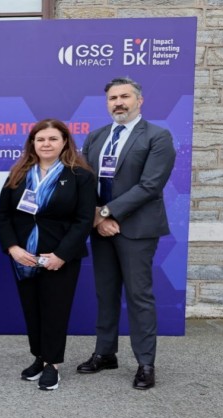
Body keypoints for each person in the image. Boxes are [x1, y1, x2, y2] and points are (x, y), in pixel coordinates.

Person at [77, 77, 176, 390]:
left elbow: (150, 185)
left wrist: (107, 212)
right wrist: (97, 216)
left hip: (137, 229)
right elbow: (84, 181)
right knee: (105, 292)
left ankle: (145, 363)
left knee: (138, 295)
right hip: (101, 228)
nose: (118, 103)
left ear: (139, 100)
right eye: (112, 98)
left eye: (125, 97)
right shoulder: (96, 137)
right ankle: (105, 353)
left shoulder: (158, 136)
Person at [0, 119, 95, 391]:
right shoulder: (18, 173)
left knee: (55, 310)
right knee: (32, 310)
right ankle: (39, 357)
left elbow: (84, 220)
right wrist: (13, 249)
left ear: (64, 142)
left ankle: (53, 365)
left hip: (60, 257)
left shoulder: (80, 176)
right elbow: (3, 215)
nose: (46, 144)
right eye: (40, 139)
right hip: (24, 256)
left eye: (52, 139)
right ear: (33, 144)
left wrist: (61, 255)